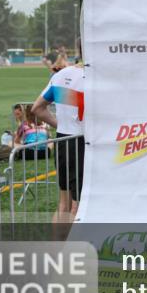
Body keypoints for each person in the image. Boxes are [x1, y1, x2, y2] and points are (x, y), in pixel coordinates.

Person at [32, 58, 85, 223]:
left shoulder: (62, 74)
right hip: (82, 142)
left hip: (62, 139)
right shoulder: (92, 76)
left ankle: (56, 241)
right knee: (78, 206)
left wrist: (60, 125)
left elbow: (37, 108)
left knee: (63, 205)